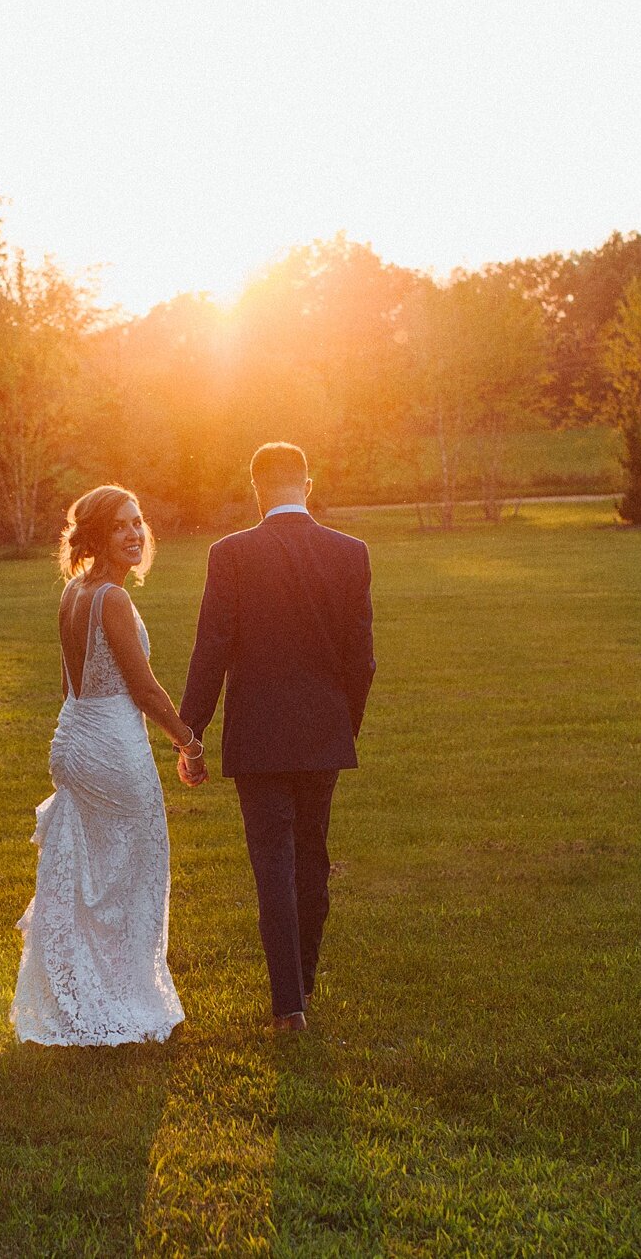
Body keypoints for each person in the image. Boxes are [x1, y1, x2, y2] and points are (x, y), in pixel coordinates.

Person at [177, 442, 375, 1032]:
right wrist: (343, 725)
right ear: (307, 485)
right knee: (312, 858)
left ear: (257, 488)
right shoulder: (350, 553)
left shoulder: (230, 554)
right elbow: (360, 661)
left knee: (273, 863)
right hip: (322, 736)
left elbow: (210, 650)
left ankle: (289, 1003)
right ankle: (304, 985)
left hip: (258, 738)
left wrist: (192, 735)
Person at [10, 484, 198, 1046]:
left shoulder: (75, 591)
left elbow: (69, 681)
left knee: (90, 876)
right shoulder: (111, 599)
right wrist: (188, 741)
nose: (135, 534)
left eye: (138, 522)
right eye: (121, 526)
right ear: (96, 536)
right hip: (113, 744)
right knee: (133, 872)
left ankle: (83, 992)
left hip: (74, 737)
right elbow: (142, 687)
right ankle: (115, 1000)